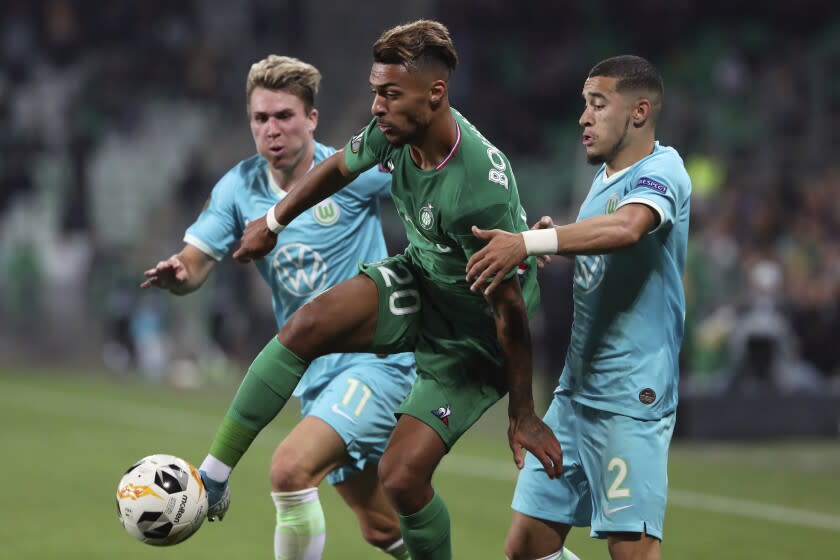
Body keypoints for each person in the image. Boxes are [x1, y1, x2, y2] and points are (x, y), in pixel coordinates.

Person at [197, 20, 564, 560]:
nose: (375, 106)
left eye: (389, 94)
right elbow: (336, 170)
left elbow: (508, 307)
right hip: (424, 278)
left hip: (474, 334)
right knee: (307, 326)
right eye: (375, 92)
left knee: (400, 479)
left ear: (435, 94)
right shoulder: (395, 131)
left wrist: (522, 412)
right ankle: (213, 474)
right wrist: (273, 222)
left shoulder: (475, 188)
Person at [140, 55, 416, 560]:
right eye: (260, 118)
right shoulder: (238, 189)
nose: (272, 130)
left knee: (289, 470)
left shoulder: (351, 171)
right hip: (311, 376)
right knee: (380, 526)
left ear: (311, 118)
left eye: (284, 116)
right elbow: (195, 265)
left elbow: (426, 179)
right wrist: (179, 273)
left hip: (374, 363)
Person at [466, 55, 691, 560]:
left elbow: (627, 229)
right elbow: (598, 240)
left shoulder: (664, 170)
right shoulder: (605, 182)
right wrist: (551, 239)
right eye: (583, 105)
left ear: (638, 112)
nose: (583, 118)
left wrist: (528, 242)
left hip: (629, 397)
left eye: (598, 104)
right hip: (576, 393)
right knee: (527, 547)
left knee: (631, 552)